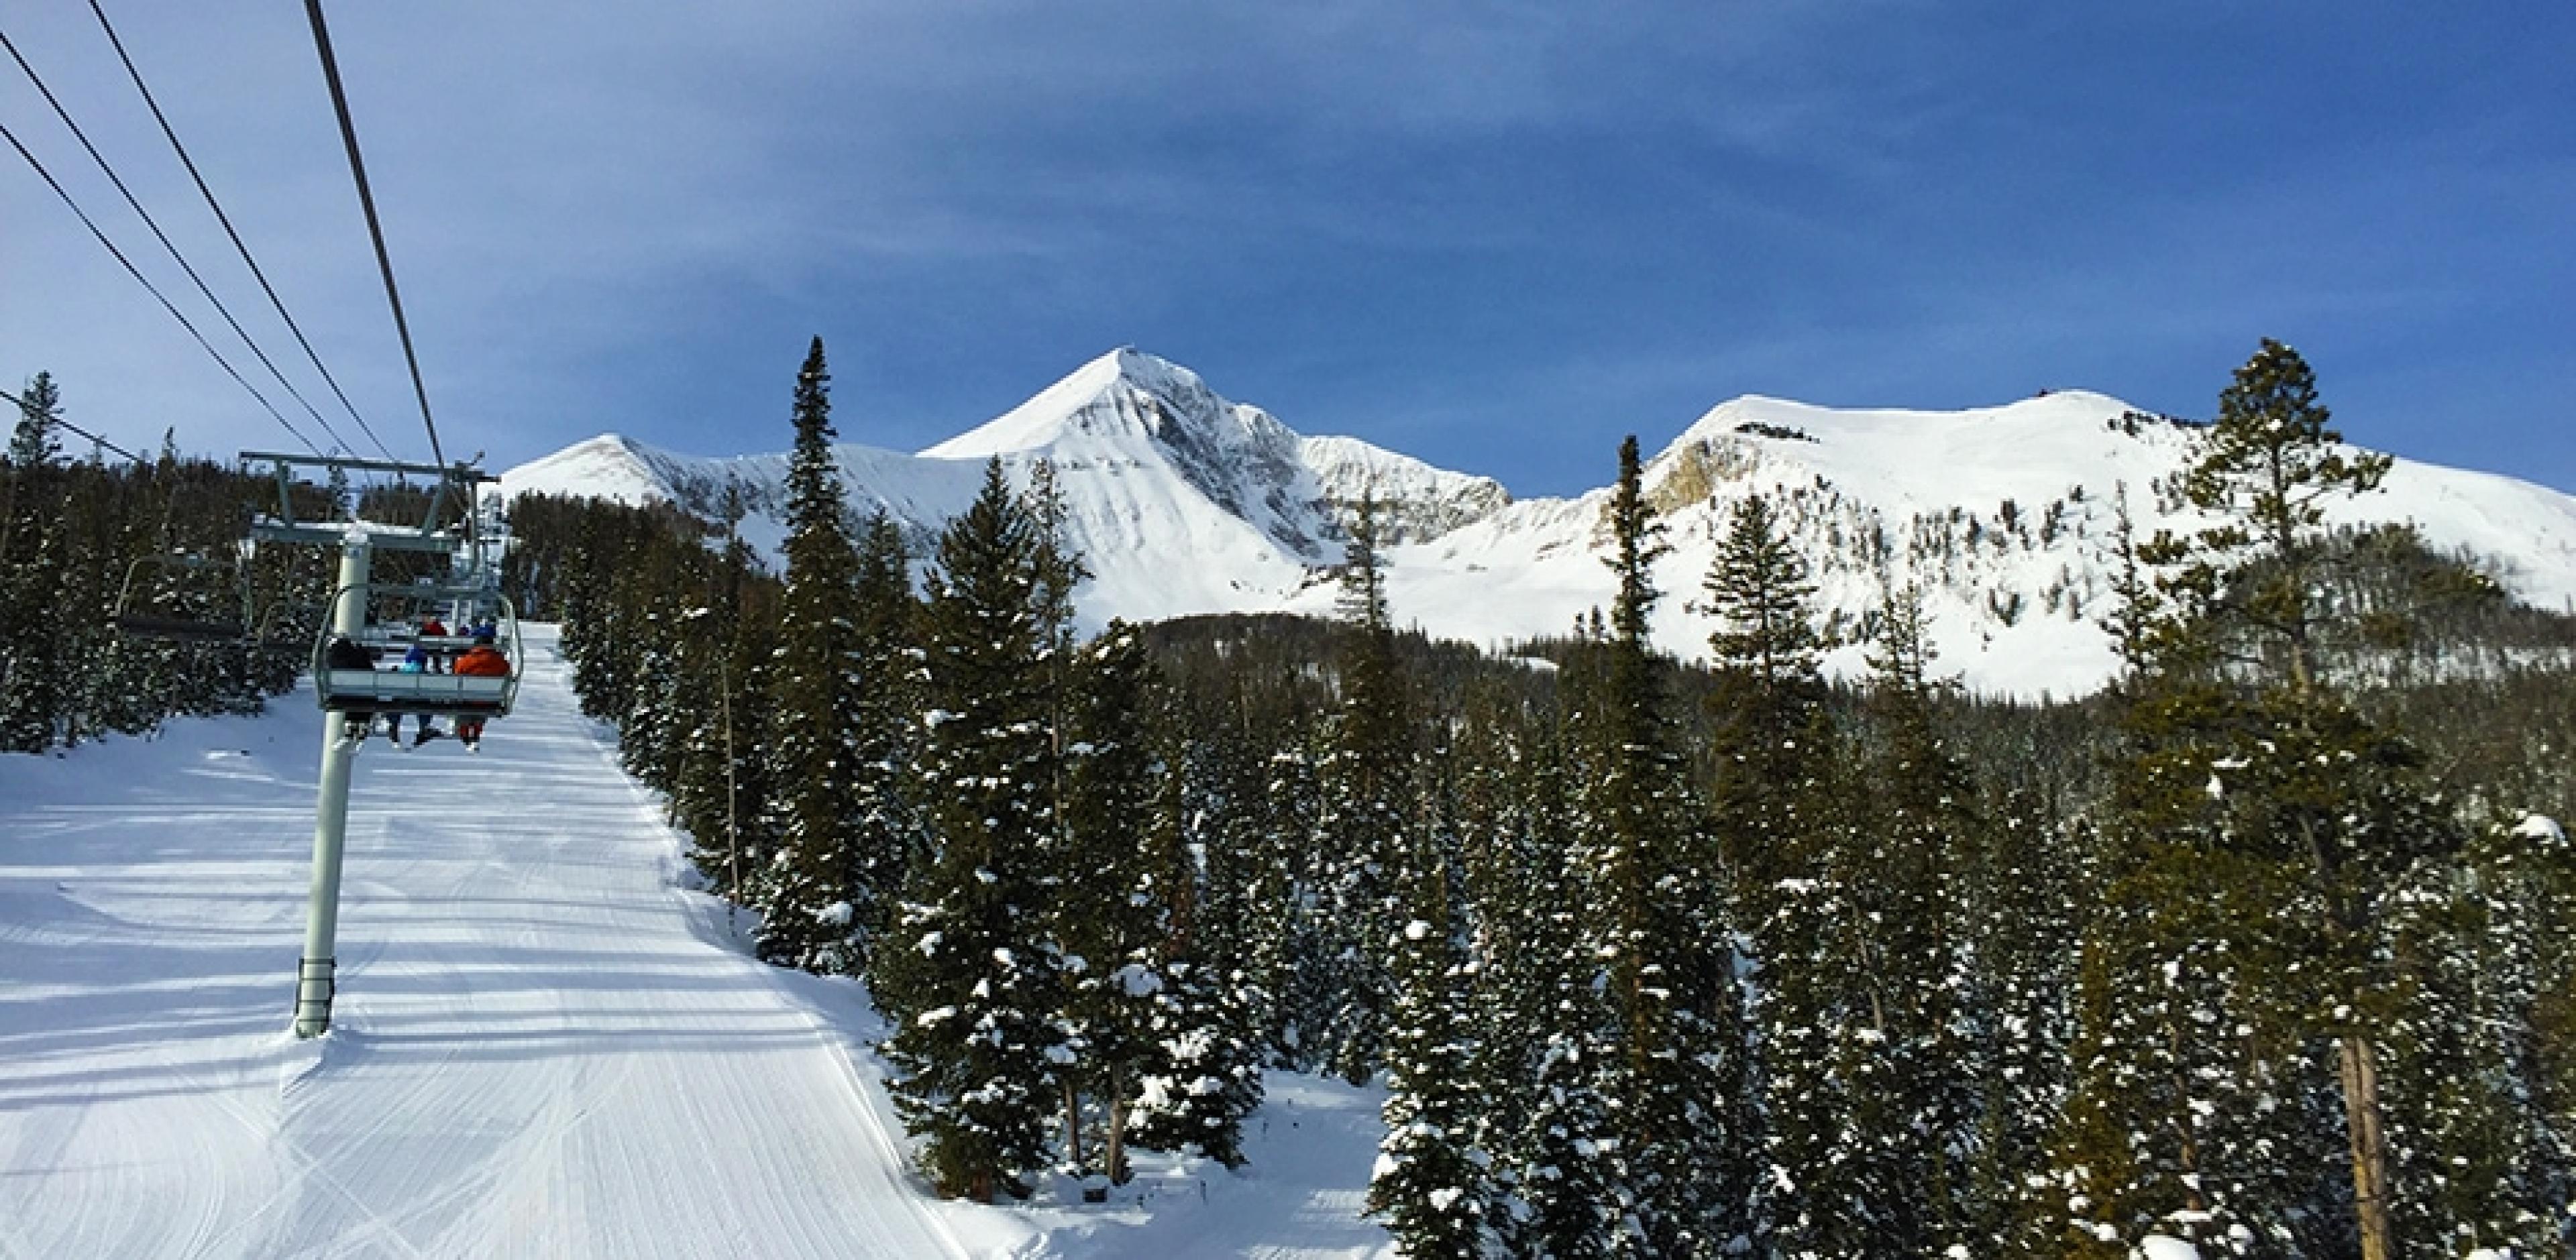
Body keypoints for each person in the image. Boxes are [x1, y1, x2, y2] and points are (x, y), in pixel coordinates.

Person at [450, 630, 509, 752]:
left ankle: (464, 732)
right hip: (490, 699)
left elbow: (457, 674)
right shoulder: (501, 661)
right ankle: (476, 731)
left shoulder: (466, 660)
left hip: (467, 699)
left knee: (464, 709)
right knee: (482, 706)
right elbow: (507, 673)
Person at [323, 635, 375, 744]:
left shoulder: (332, 657)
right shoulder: (358, 655)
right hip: (361, 695)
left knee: (350, 696)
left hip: (340, 694)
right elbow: (369, 669)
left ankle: (351, 725)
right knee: (364, 695)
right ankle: (362, 723)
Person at [396, 645, 445, 748]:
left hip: (402, 701)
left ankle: (393, 725)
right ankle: (424, 727)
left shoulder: (400, 672)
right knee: (426, 701)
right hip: (421, 702)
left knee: (395, 700)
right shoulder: (425, 674)